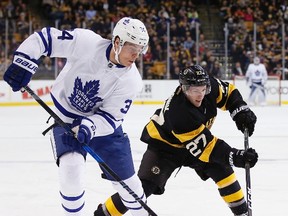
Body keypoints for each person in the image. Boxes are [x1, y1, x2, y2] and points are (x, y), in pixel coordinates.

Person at [3, 17, 150, 216]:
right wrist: (24, 61)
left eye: (140, 49)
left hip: (102, 128)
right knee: (71, 169)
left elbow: (111, 118)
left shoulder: (131, 80)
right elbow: (45, 39)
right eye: (132, 47)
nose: (136, 55)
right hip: (66, 121)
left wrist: (89, 126)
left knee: (129, 183)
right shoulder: (87, 42)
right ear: (117, 42)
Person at [94, 65, 258, 216]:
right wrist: (237, 157)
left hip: (194, 143)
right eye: (194, 90)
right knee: (142, 189)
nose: (200, 94)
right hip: (165, 148)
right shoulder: (179, 112)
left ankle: (243, 214)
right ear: (184, 89)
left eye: (203, 89)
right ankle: (103, 214)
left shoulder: (210, 88)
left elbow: (229, 93)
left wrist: (240, 111)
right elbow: (208, 148)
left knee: (224, 172)